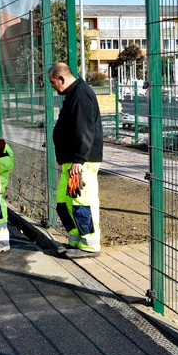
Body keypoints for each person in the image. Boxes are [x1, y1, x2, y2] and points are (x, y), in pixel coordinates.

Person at [47, 63, 103, 259]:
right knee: (64, 200)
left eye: (53, 82)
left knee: (81, 201)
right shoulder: (73, 94)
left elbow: (84, 129)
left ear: (62, 79)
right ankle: (76, 238)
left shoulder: (80, 95)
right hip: (72, 160)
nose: (52, 86)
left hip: (80, 161)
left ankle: (89, 245)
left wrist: (79, 159)